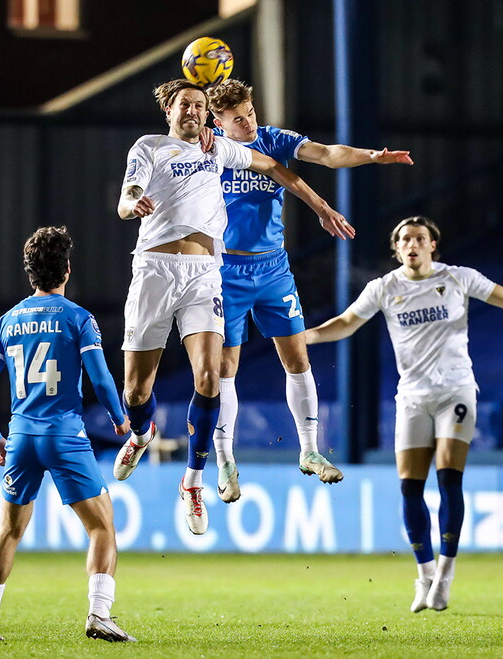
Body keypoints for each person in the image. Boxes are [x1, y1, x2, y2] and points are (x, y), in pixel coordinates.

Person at [111, 78, 350, 535]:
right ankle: (141, 434)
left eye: (200, 106)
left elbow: (273, 167)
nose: (193, 112)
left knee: (211, 376)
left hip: (205, 275)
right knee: (137, 392)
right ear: (169, 110)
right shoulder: (150, 147)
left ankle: (194, 480)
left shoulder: (219, 149)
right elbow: (127, 196)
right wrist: (130, 204)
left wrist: (319, 206)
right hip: (154, 272)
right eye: (185, 105)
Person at [304, 216, 503, 613]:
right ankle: (424, 576)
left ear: (433, 245)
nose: (413, 244)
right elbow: (347, 323)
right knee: (410, 488)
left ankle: (446, 576)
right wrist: (305, 336)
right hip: (413, 398)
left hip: (455, 390)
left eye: (420, 238)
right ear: (397, 248)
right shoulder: (385, 288)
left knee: (449, 477)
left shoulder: (458, 278)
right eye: (405, 239)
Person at [205, 79, 414, 502]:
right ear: (218, 122)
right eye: (238, 119)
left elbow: (326, 154)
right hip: (226, 270)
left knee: (297, 358)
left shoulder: (274, 140)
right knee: (226, 367)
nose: (248, 123)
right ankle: (225, 462)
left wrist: (372, 156)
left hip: (273, 268)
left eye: (251, 114)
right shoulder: (209, 151)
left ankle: (310, 451)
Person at [0, 226, 134, 643]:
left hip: (20, 437)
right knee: (102, 527)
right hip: (64, 435)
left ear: (30, 275)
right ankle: (99, 614)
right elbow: (99, 375)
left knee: (8, 531)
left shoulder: (6, 321)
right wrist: (120, 418)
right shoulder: (79, 319)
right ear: (67, 270)